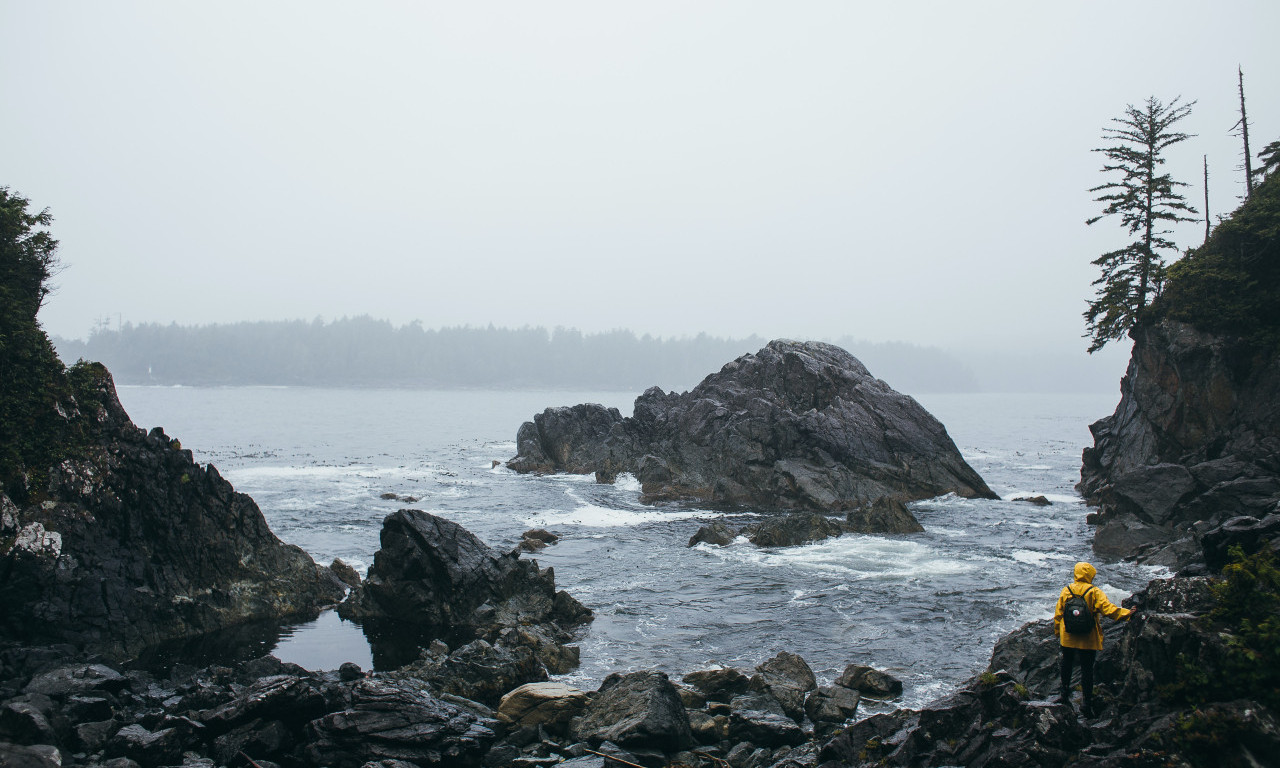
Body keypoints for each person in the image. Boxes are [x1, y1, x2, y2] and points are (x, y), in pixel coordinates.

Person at [1052, 561, 1132, 716]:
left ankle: (1063, 694)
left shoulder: (1066, 590)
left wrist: (1058, 633)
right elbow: (1109, 610)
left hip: (1068, 637)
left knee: (1066, 664)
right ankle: (1086, 703)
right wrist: (1127, 614)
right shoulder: (1094, 591)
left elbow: (1058, 615)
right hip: (1088, 638)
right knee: (1087, 670)